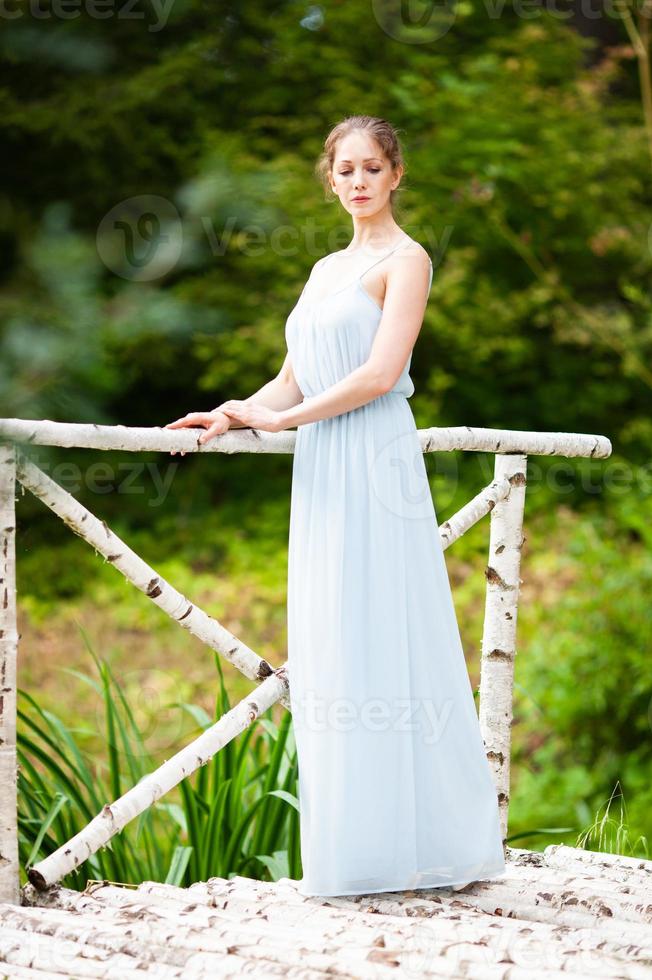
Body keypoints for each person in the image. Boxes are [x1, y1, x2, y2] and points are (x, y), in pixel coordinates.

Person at [166, 114, 506, 897]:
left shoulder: (407, 260)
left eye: (370, 167)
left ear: (395, 176)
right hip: (322, 460)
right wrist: (229, 412)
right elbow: (291, 378)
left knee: (383, 631)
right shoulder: (322, 269)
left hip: (374, 456)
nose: (356, 180)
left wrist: (282, 421)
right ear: (330, 179)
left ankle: (429, 844)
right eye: (342, 169)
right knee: (331, 638)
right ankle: (356, 853)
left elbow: (380, 374)